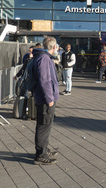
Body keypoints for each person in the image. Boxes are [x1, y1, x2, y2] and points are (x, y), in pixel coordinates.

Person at [32, 36, 59, 165]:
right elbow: (45, 81)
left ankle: (44, 149)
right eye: (57, 46)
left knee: (46, 126)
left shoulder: (44, 57)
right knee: (43, 126)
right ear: (54, 47)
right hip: (45, 99)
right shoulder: (44, 58)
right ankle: (40, 155)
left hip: (44, 98)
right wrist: (50, 99)